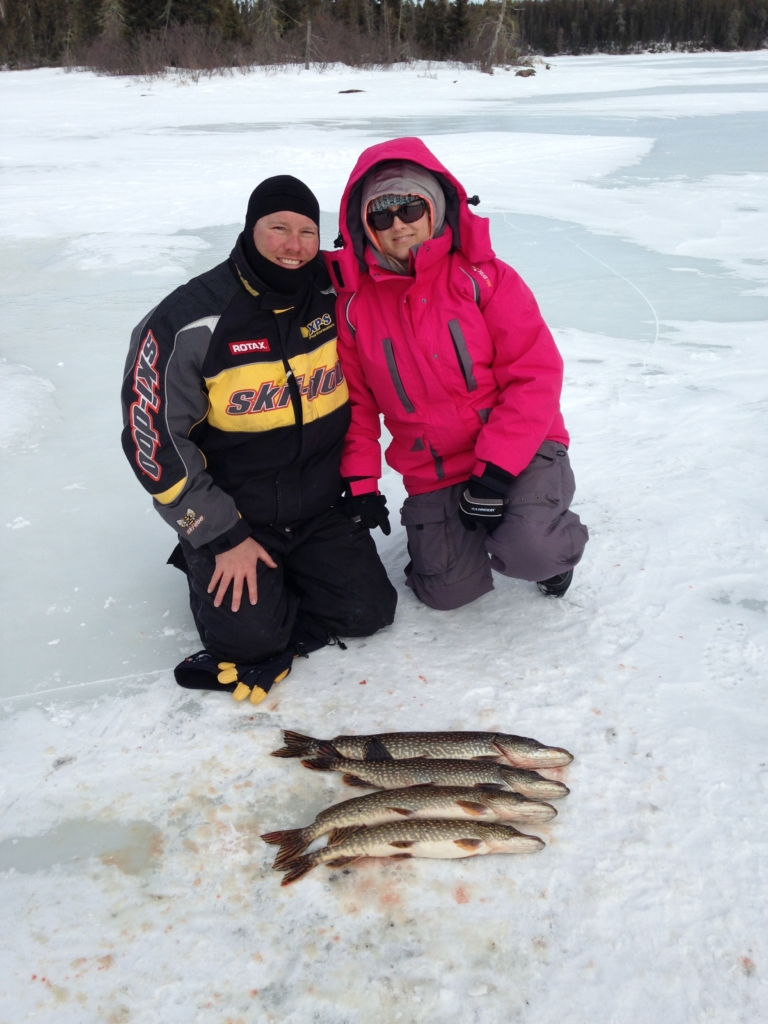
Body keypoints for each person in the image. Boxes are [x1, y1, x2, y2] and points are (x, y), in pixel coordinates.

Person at [121, 176, 397, 704]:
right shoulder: (189, 319)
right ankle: (207, 563)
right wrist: (220, 536)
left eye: (307, 232)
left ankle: (280, 586)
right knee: (250, 642)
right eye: (278, 228)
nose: (294, 246)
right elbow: (151, 440)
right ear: (251, 228)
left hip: (316, 506)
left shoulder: (334, 292)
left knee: (369, 613)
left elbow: (406, 267)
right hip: (236, 514)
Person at [327, 138, 588, 612]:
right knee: (446, 593)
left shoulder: (483, 277)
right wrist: (362, 482)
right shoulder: (352, 308)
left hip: (521, 449)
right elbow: (357, 408)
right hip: (435, 468)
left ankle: (550, 547)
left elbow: (535, 374)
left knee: (532, 551)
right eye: (381, 216)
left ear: (435, 210)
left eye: (409, 208)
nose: (398, 225)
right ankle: (452, 542)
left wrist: (495, 472)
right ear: (365, 226)